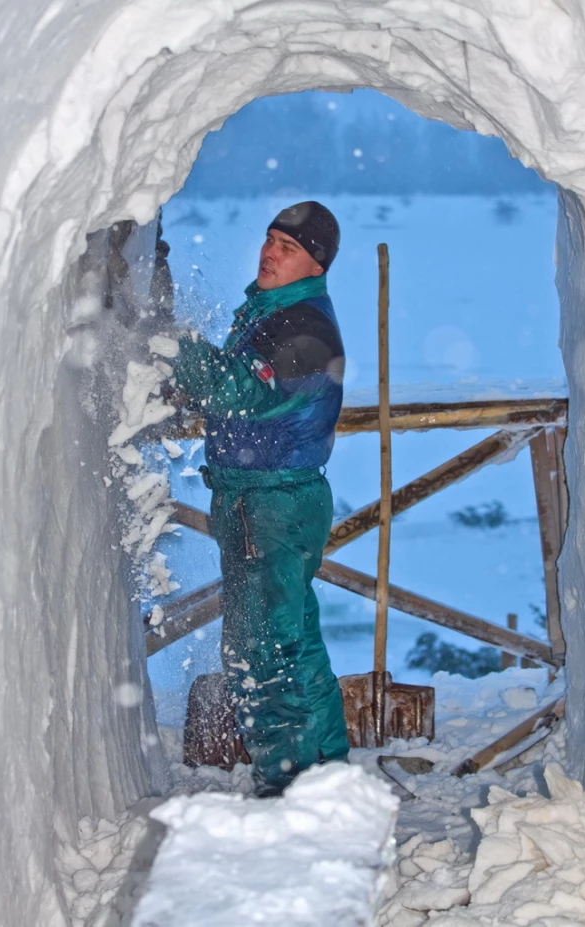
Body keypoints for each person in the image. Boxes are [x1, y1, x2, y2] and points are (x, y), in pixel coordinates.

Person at [173, 201, 349, 796]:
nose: (270, 252)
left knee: (260, 654)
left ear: (315, 263)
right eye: (271, 239)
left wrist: (162, 341)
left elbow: (233, 391)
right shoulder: (275, 314)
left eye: (288, 247)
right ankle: (326, 783)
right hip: (272, 500)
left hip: (269, 508)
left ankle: (292, 792)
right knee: (294, 646)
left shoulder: (304, 330)